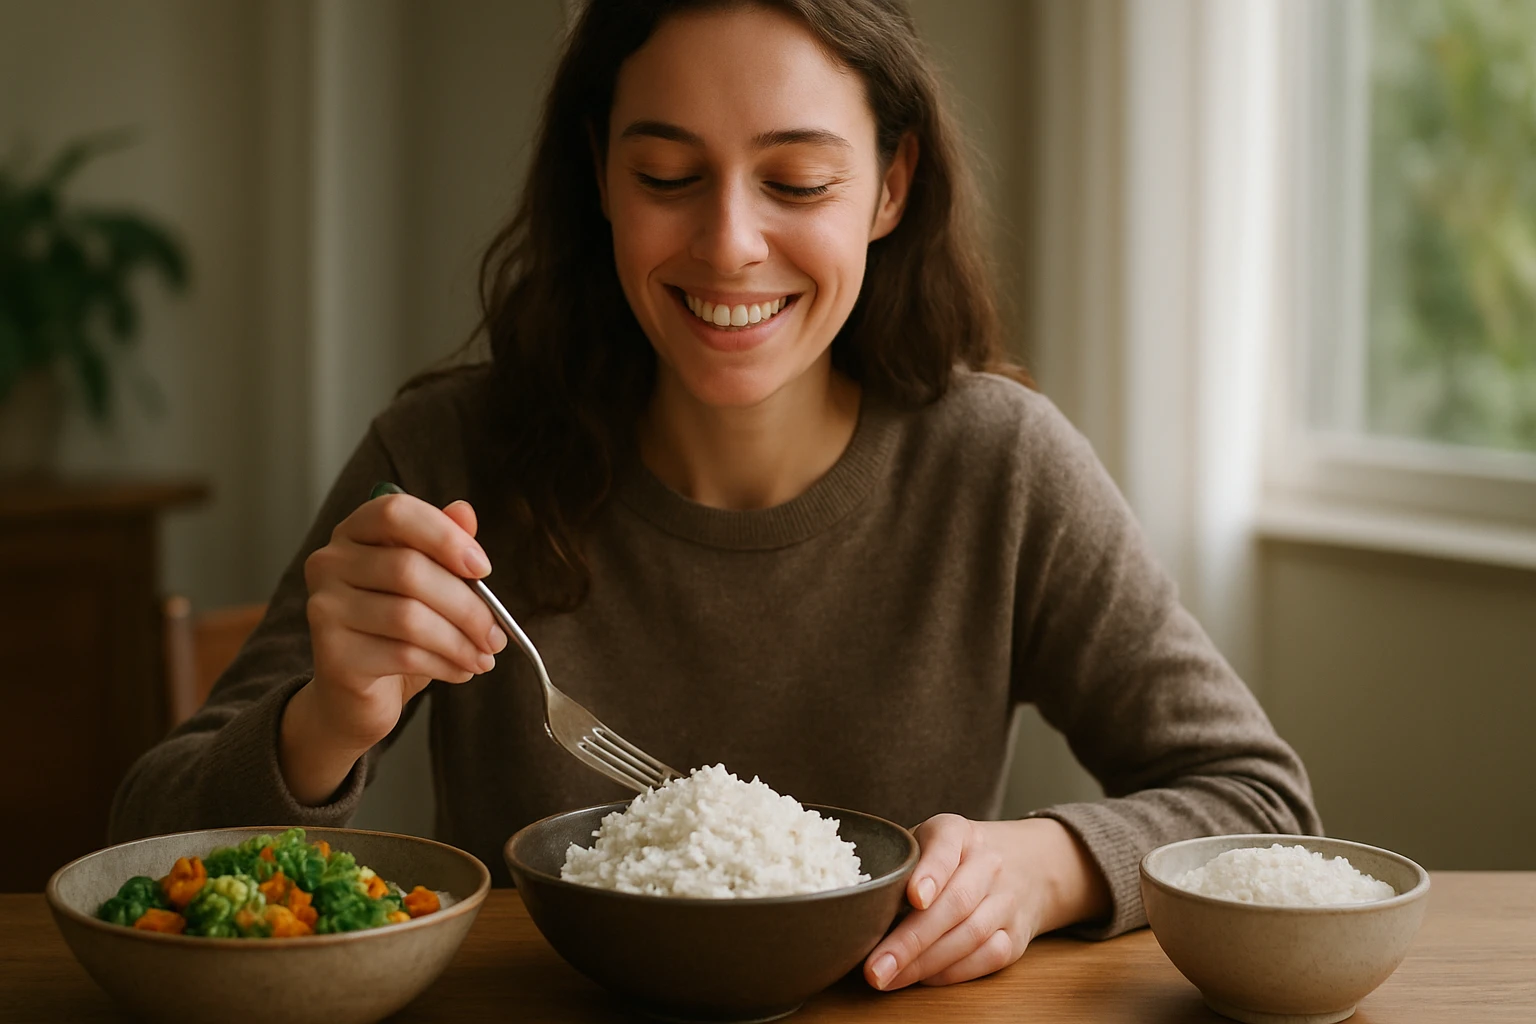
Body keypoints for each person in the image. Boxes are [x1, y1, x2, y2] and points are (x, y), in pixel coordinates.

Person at [111, 0, 1320, 993]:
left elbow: (1261, 804)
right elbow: (142, 841)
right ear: (600, 176)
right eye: (668, 173)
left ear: (890, 187)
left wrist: (1053, 863)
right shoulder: (448, 452)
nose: (730, 242)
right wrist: (325, 719)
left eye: (796, 181)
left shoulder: (998, 465)